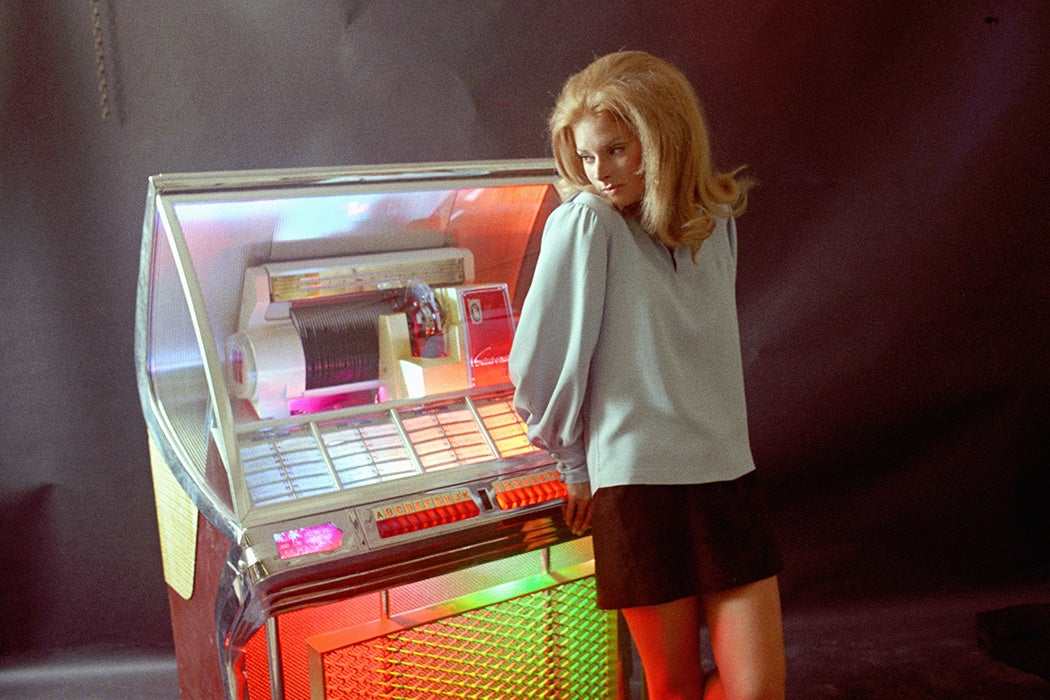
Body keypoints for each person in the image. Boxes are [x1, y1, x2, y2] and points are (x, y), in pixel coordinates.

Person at [509, 50, 786, 699]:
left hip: (727, 477)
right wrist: (573, 464)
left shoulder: (715, 221)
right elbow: (541, 366)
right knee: (674, 690)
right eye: (584, 157)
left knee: (758, 691)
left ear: (663, 138)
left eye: (615, 150)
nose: (597, 173)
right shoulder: (586, 223)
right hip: (640, 489)